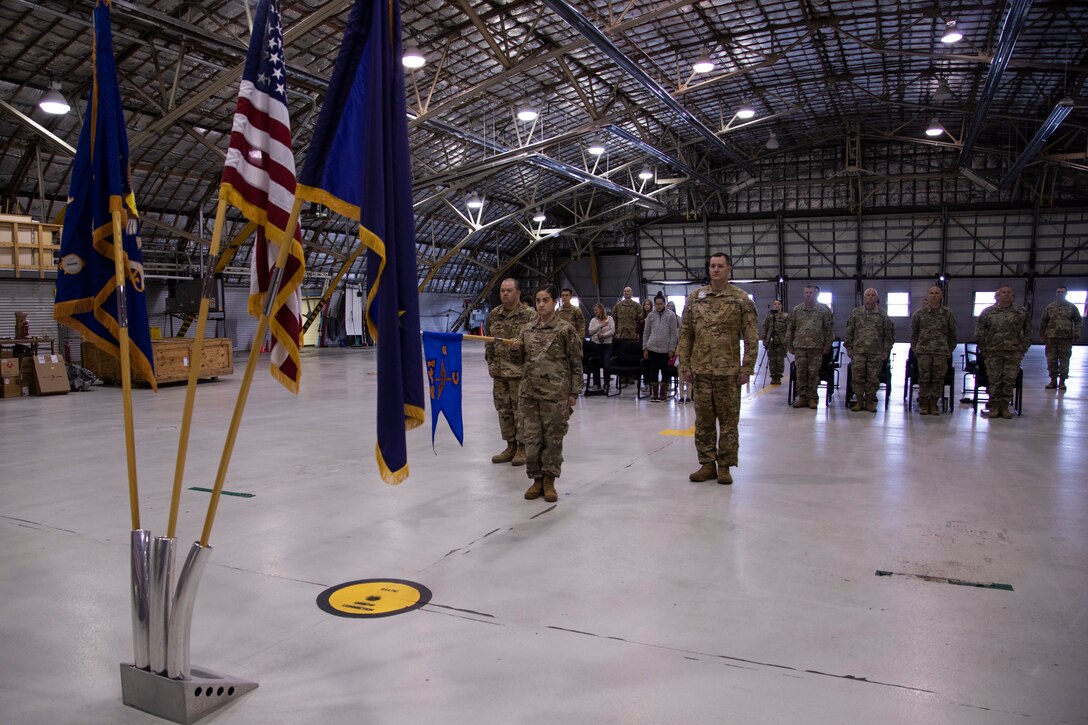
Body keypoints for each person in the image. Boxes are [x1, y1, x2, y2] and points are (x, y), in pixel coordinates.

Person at [678, 252, 759, 485]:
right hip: (701, 371)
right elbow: (686, 334)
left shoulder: (741, 299)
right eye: (712, 266)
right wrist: (685, 364)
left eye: (720, 266)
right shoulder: (695, 298)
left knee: (728, 422)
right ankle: (706, 464)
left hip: (728, 372)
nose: (715, 270)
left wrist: (747, 367)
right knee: (703, 422)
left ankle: (724, 466)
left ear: (729, 269)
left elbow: (752, 336)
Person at [517, 285, 583, 502]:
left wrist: (573, 392)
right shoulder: (526, 329)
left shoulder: (565, 330)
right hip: (529, 394)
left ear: (554, 302)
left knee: (553, 439)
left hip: (556, 394)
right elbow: (521, 361)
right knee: (532, 439)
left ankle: (549, 481)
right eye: (537, 300)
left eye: (545, 300)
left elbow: (575, 362)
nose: (541, 304)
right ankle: (536, 479)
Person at [483, 278, 533, 466]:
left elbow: (535, 345)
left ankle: (522, 447)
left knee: (521, 411)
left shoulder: (529, 315)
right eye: (503, 291)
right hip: (499, 373)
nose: (505, 294)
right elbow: (489, 341)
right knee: (503, 410)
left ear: (518, 293)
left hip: (520, 374)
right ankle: (510, 445)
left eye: (509, 290)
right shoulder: (494, 315)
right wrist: (491, 363)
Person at [975, 285, 1031, 420]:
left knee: (1009, 380)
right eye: (1003, 293)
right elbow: (979, 332)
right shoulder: (988, 312)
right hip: (993, 352)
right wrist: (984, 349)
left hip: (1013, 352)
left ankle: (1005, 407)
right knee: (994, 380)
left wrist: (1022, 349)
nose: (1006, 295)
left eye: (1009, 293)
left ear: (1013, 295)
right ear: (997, 296)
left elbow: (1028, 332)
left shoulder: (1021, 312)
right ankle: (994, 407)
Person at [844, 288, 895, 412]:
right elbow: (849, 331)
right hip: (858, 351)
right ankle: (860, 401)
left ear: (877, 298)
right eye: (868, 295)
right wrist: (849, 347)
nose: (871, 297)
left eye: (873, 295)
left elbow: (889, 334)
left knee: (873, 378)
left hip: (876, 351)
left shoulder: (883, 314)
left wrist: (886, 350)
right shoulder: (856, 313)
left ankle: (870, 401)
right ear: (864, 298)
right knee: (857, 377)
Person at [909, 285, 957, 415]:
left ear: (941, 296)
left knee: (938, 379)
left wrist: (948, 349)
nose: (934, 295)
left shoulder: (947, 314)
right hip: (923, 352)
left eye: (937, 293)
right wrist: (916, 349)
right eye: (932, 293)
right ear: (928, 296)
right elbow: (914, 334)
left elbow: (952, 334)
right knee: (924, 378)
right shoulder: (919, 314)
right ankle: (924, 403)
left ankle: (934, 403)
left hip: (941, 352)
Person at [785, 285, 834, 409]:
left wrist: (827, 346)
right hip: (800, 347)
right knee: (801, 373)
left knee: (813, 373)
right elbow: (790, 328)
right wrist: (790, 345)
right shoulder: (797, 310)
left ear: (816, 294)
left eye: (811, 292)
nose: (808, 295)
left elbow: (829, 330)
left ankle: (812, 398)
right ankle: (802, 397)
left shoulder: (824, 310)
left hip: (816, 348)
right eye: (806, 292)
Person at [1039, 286, 1082, 390]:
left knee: (1064, 360)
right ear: (1056, 293)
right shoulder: (1050, 307)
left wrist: (1076, 333)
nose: (1060, 294)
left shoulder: (1072, 307)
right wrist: (1042, 335)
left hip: (1065, 338)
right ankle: (1053, 381)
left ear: (1066, 293)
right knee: (1051, 360)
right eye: (1058, 292)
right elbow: (1043, 321)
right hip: (1051, 338)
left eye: (1062, 292)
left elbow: (1078, 321)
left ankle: (1062, 382)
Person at [642, 292, 679, 402]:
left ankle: (663, 394)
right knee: (653, 371)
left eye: (660, 304)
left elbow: (673, 333)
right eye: (656, 304)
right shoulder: (650, 315)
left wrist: (671, 349)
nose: (658, 306)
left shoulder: (671, 315)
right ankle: (654, 394)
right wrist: (645, 347)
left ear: (664, 303)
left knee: (664, 371)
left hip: (665, 349)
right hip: (652, 347)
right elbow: (646, 332)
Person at [587, 303, 615, 391]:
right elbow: (591, 331)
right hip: (596, 344)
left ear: (602, 310)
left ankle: (607, 383)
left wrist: (603, 335)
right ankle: (596, 384)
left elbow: (612, 330)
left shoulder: (609, 319)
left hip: (607, 344)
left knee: (606, 364)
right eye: (594, 310)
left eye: (597, 310)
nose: (595, 312)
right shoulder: (593, 320)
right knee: (596, 364)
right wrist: (600, 326)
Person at [761, 299, 788, 385]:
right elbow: (765, 328)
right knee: (772, 360)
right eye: (775, 304)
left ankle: (779, 376)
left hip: (782, 341)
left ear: (781, 306)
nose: (776, 305)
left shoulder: (786, 316)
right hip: (771, 341)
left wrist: (788, 340)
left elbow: (789, 329)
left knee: (779, 360)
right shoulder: (769, 316)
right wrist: (764, 339)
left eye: (778, 304)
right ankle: (773, 376)